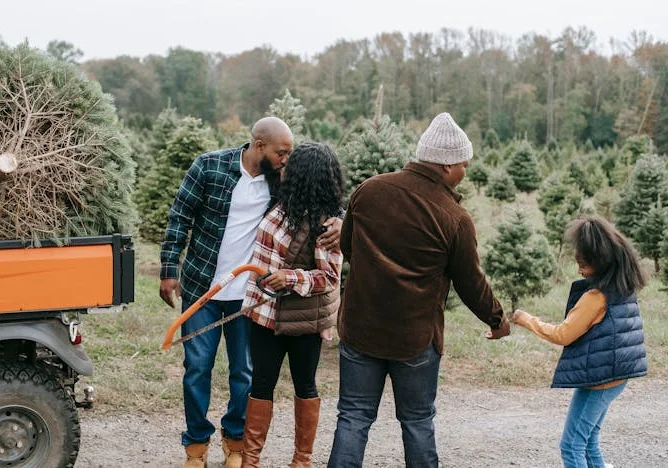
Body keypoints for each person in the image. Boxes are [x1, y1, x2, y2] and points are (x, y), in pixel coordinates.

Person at [327, 112, 511, 468]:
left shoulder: (369, 190)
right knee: (417, 422)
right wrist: (497, 319)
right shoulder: (454, 217)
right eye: (463, 165)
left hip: (360, 329)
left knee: (353, 417)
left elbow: (347, 249)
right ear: (445, 166)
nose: (465, 172)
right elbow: (470, 282)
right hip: (415, 338)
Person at [159, 117, 342, 468]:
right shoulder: (209, 167)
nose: (286, 159)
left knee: (243, 372)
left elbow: (320, 197)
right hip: (203, 288)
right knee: (197, 367)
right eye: (281, 152)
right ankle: (196, 446)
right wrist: (168, 270)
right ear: (260, 146)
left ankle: (236, 442)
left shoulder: (281, 182)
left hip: (251, 297)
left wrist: (341, 220)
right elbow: (179, 217)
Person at [511, 216, 647, 468]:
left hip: (601, 379)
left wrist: (525, 319)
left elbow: (563, 334)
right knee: (589, 440)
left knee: (571, 445)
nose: (579, 270)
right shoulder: (621, 285)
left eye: (582, 265)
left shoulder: (596, 297)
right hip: (615, 376)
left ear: (600, 261)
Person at [240, 142, 344, 468]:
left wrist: (290, 278)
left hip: (303, 320)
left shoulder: (328, 226)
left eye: (291, 164)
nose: (283, 166)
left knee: (305, 385)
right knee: (260, 384)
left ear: (303, 175)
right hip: (263, 314)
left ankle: (302, 461)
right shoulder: (281, 205)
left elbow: (328, 277)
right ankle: (250, 461)